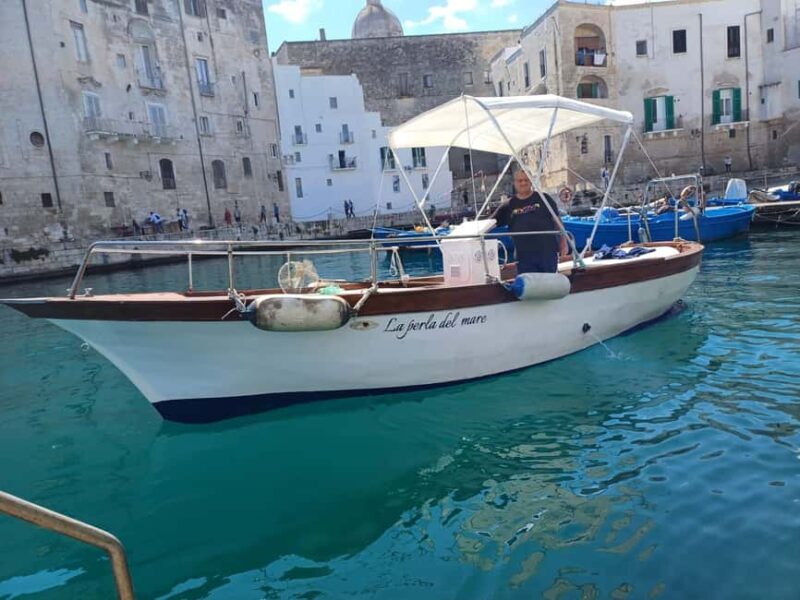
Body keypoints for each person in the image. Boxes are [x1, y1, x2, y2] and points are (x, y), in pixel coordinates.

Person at [492, 169, 568, 274]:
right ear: (514, 183)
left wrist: (563, 243)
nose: (523, 183)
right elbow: (490, 223)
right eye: (520, 180)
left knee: (548, 282)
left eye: (526, 180)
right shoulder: (508, 206)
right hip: (524, 257)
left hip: (547, 253)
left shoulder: (544, 198)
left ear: (531, 181)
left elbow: (557, 221)